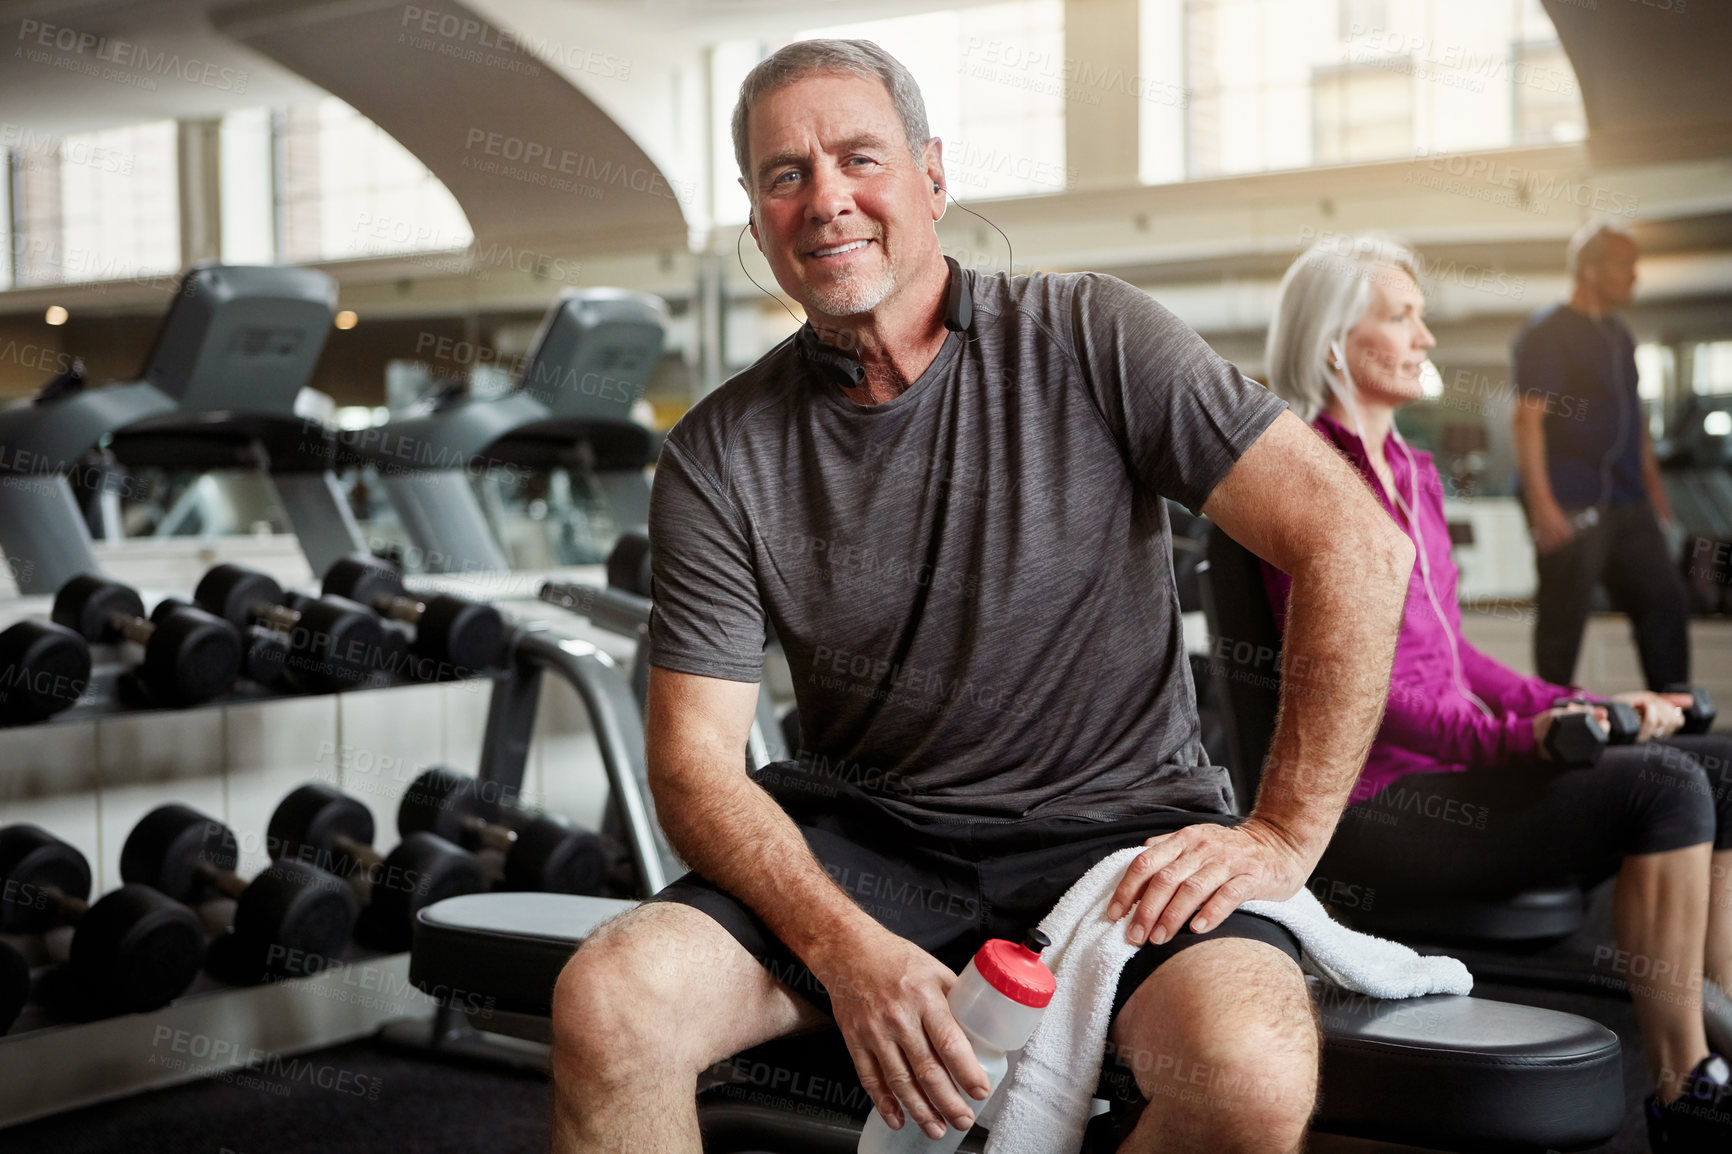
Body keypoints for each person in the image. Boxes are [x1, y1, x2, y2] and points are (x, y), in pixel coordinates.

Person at [548, 39, 1415, 1154]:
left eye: (858, 157)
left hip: (1124, 838)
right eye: (783, 175)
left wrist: (1285, 835)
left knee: (1246, 1071)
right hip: (864, 845)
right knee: (610, 1005)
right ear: (757, 220)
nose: (825, 200)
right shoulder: (719, 452)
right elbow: (693, 764)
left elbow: (1351, 541)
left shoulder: (1093, 333)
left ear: (931, 176)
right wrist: (844, 947)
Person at [1260, 232, 1732, 1150]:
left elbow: (1459, 662)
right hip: (1383, 803)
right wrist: (1528, 738)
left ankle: (1718, 1028)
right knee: (1664, 785)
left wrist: (1580, 704)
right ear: (1333, 346)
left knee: (1723, 765)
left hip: (1457, 769)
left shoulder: (1414, 474)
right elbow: (1364, 695)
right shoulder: (1310, 481)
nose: (1426, 336)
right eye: (1402, 317)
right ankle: (1683, 1091)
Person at [1512, 219, 1692, 690]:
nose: (1635, 276)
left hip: (1629, 501)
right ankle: (1553, 725)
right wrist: (1543, 505)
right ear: (1590, 270)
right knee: (1563, 619)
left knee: (1665, 600)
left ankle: (1678, 719)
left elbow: (1637, 423)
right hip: (1572, 498)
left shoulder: (1620, 334)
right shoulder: (1548, 332)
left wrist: (1655, 493)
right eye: (1624, 266)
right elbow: (1526, 420)